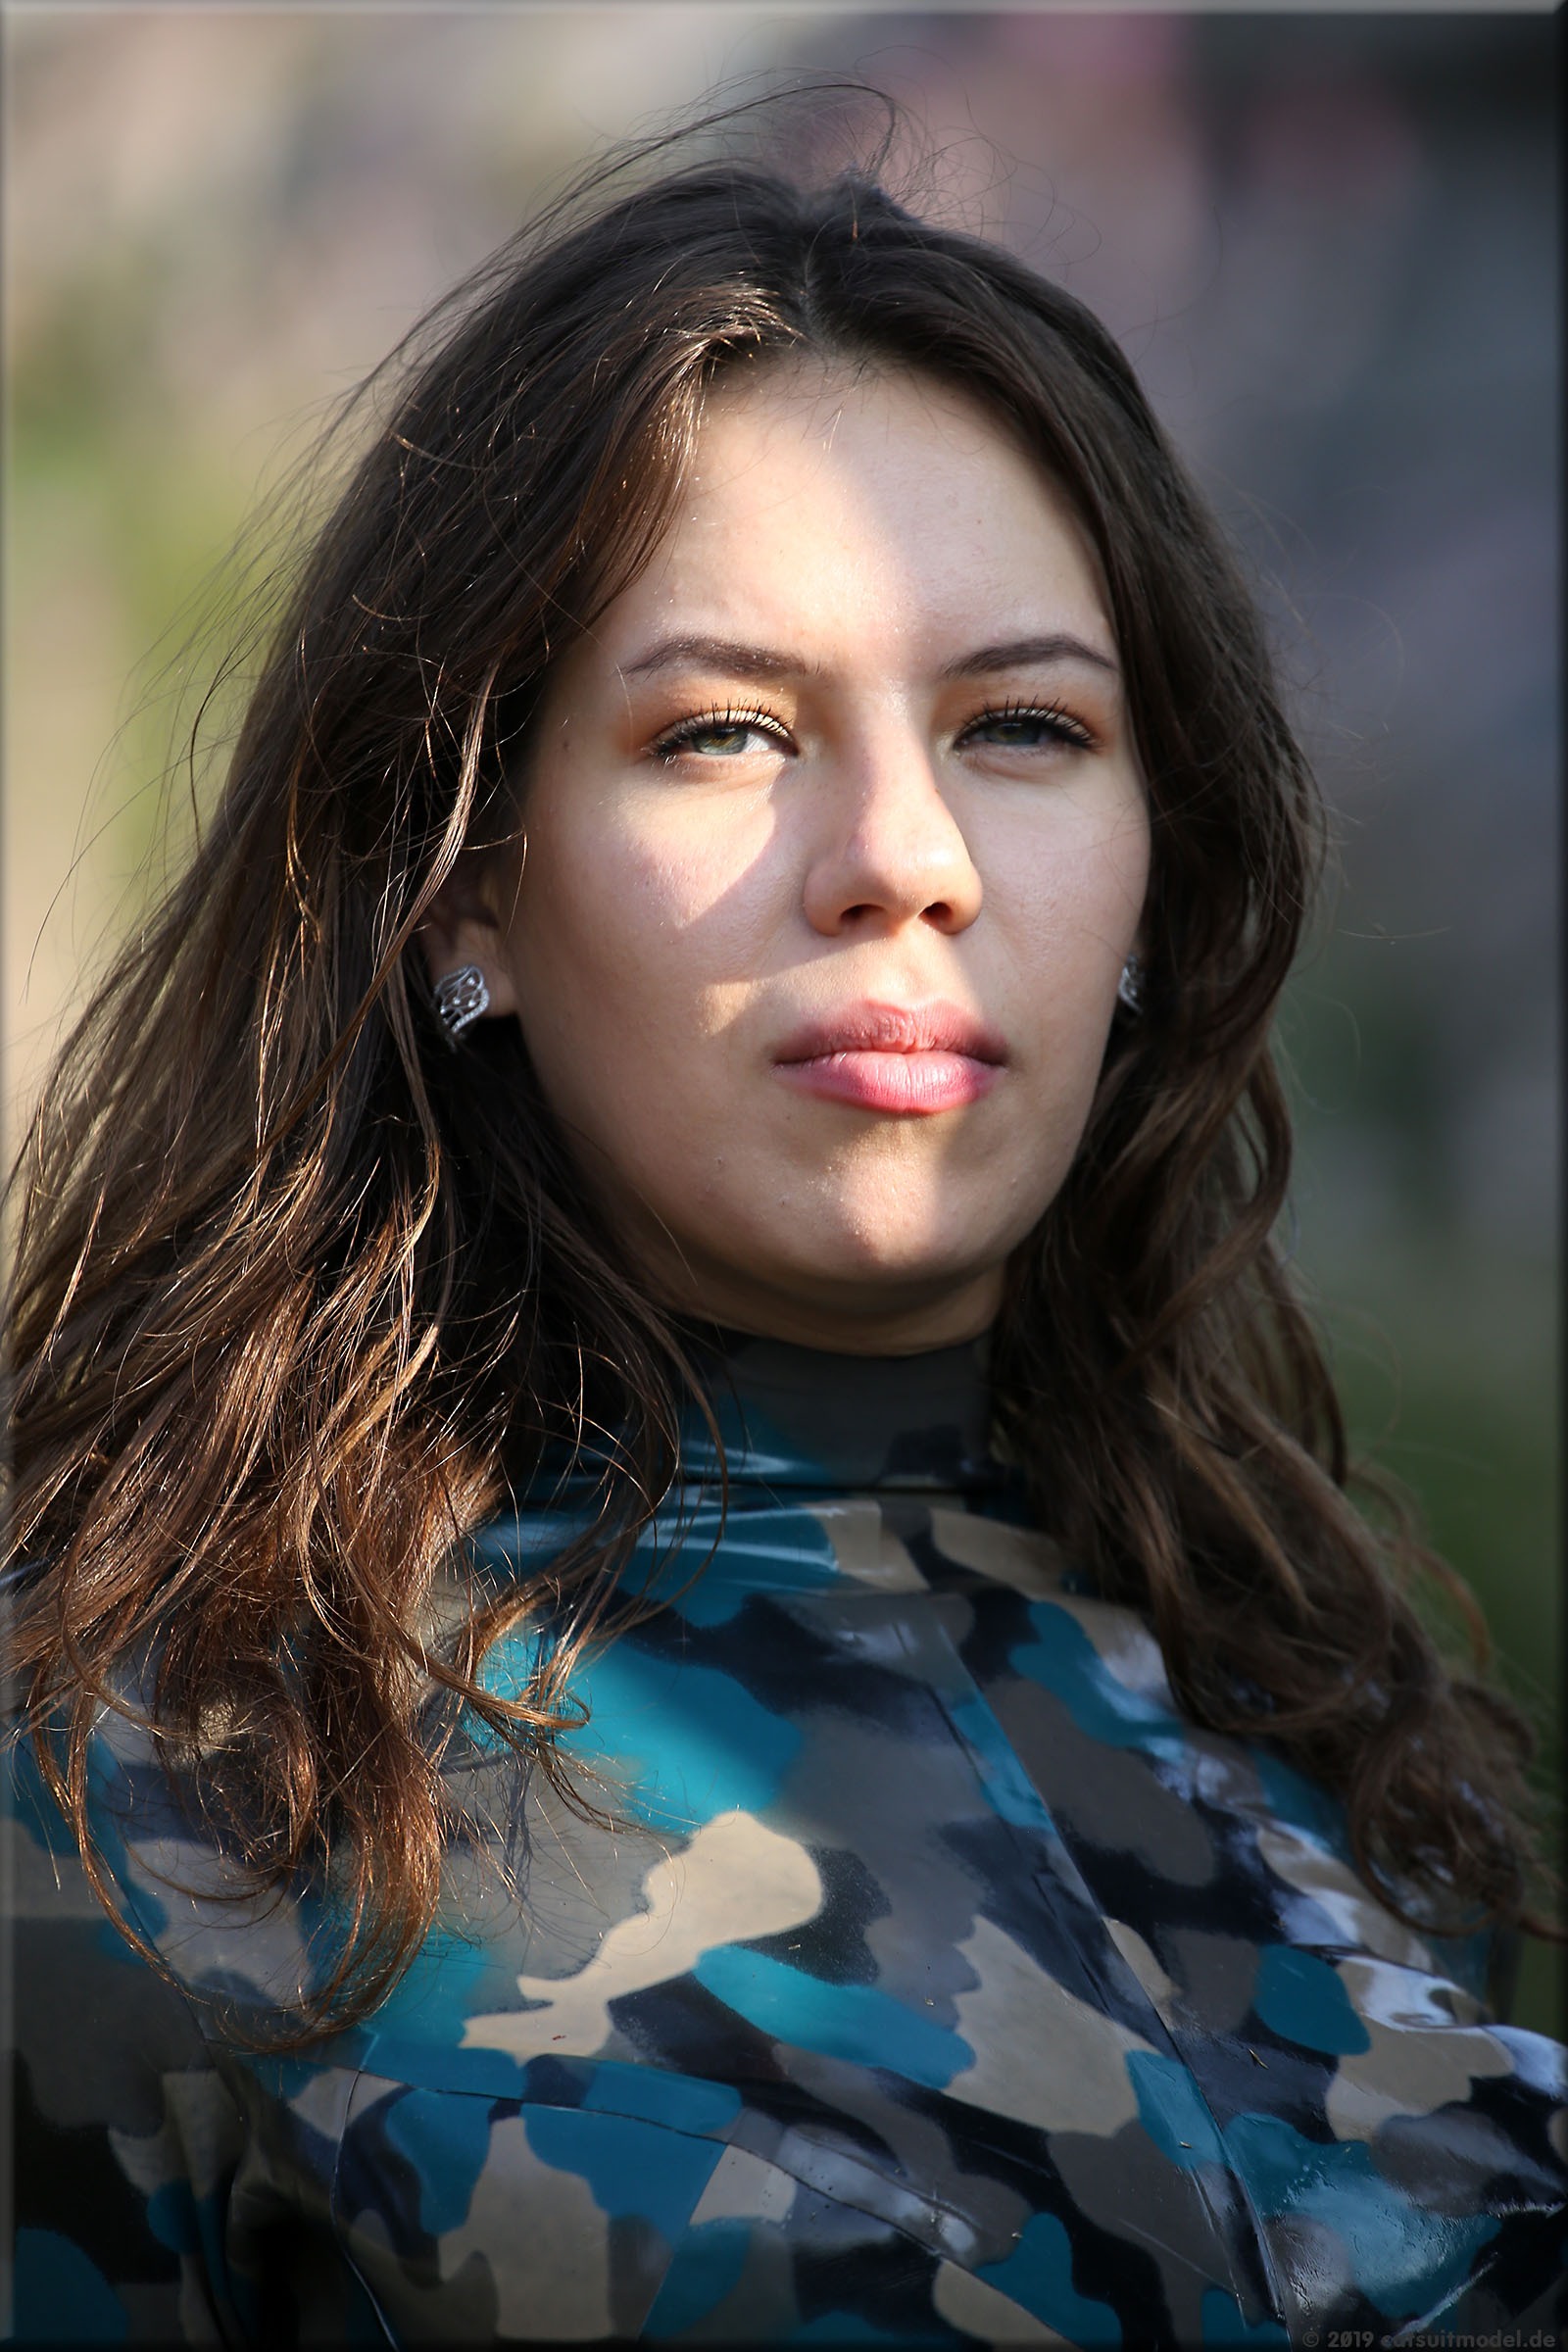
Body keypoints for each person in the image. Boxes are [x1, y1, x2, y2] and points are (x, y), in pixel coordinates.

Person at [4, 127, 1564, 2348]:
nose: (904, 857)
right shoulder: (128, 1786)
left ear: (1155, 868)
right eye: (725, 731)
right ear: (461, 883)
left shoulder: (1319, 1707)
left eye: (1023, 726)